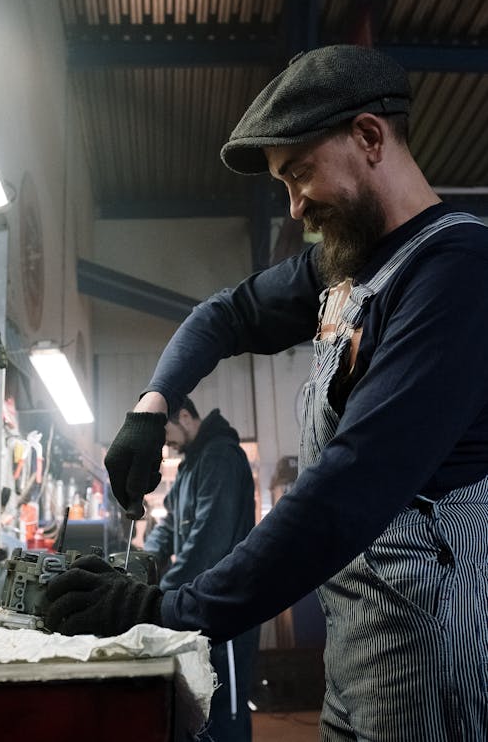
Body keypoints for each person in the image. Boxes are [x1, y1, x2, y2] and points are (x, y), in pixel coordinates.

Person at [44, 45, 488, 741]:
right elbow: (226, 313)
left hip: (432, 648)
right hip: (360, 645)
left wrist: (168, 609)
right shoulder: (350, 267)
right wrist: (151, 406)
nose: (294, 204)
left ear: (370, 137)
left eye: (300, 172)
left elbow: (346, 491)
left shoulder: (456, 274)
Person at [143, 396, 259, 742]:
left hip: (229, 609)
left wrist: (157, 596)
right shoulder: (189, 465)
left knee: (225, 711)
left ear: (183, 415)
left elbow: (208, 542)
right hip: (200, 605)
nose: (167, 445)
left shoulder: (221, 457)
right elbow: (167, 526)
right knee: (200, 712)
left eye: (167, 435)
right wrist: (140, 564)